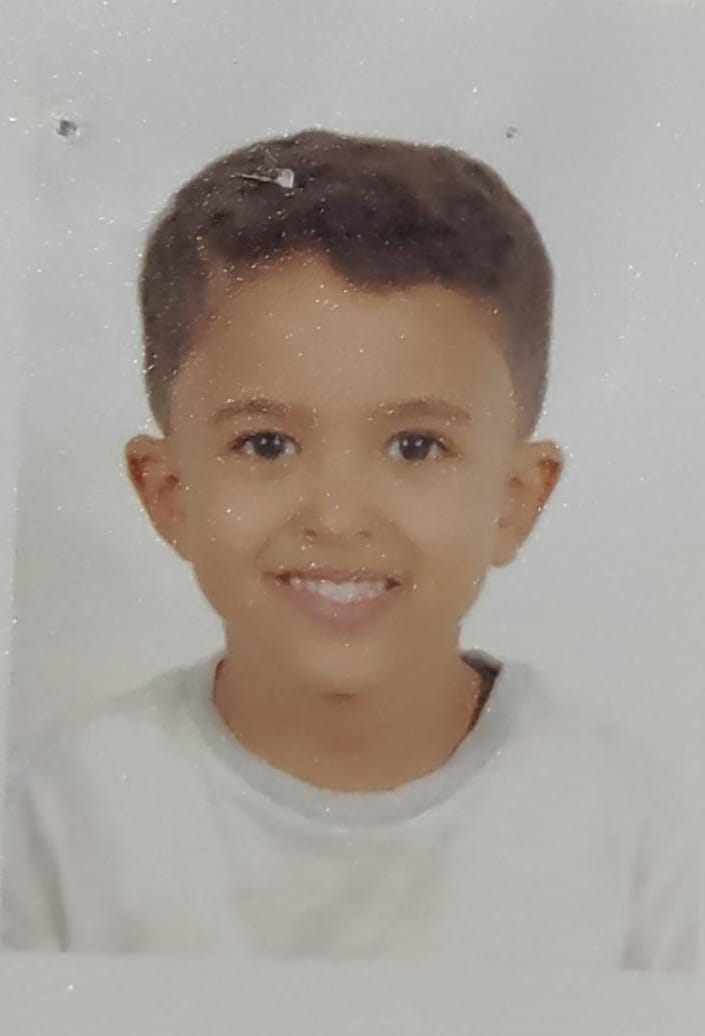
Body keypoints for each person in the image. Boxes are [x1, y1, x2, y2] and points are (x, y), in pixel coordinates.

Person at [1, 129, 697, 964]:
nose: (336, 519)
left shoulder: (642, 845)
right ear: (169, 493)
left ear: (516, 500)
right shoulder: (53, 826)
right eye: (266, 444)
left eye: (415, 447)